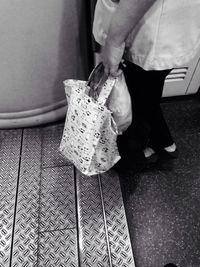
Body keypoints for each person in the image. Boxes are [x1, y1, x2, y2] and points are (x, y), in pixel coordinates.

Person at [93, 0, 200, 167]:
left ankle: (131, 158)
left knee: (135, 104)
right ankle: (163, 142)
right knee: (147, 95)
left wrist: (114, 41)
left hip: (141, 27)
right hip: (172, 26)